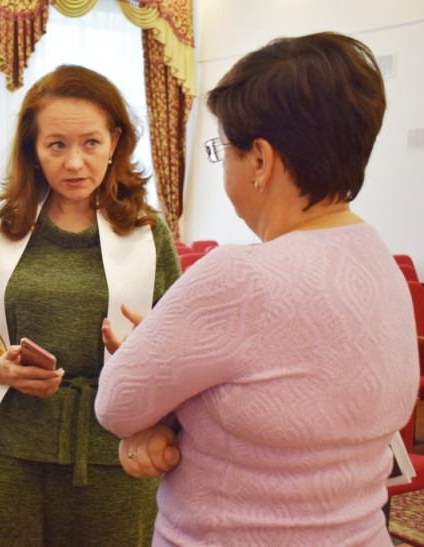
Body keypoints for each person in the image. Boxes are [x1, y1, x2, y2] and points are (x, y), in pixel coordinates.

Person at [95, 32, 419, 545]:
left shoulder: (240, 277)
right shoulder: (383, 261)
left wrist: (149, 355)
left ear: (261, 161)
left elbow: (117, 404)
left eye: (224, 150)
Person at [0, 64, 182, 546]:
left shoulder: (147, 232)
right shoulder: (3, 228)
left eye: (91, 143)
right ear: (33, 148)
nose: (75, 163)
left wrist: (146, 353)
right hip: (6, 453)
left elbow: (181, 351)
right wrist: (1, 369)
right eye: (56, 145)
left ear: (115, 142)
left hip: (114, 455)